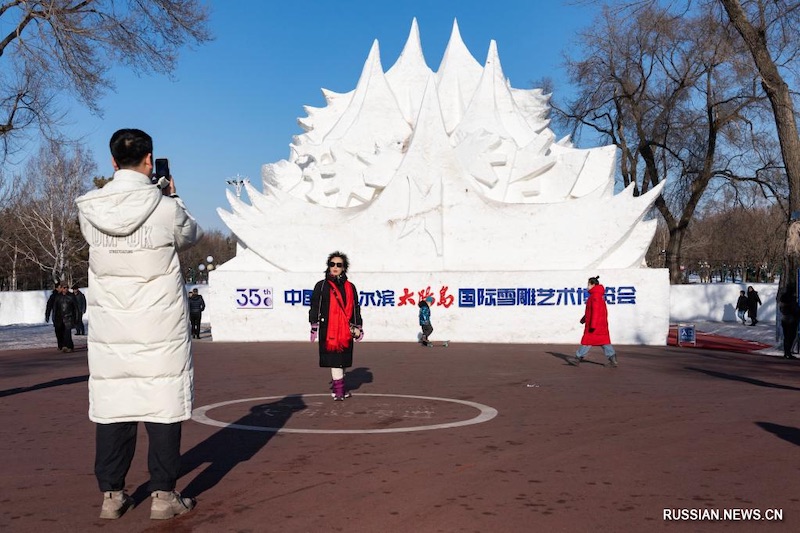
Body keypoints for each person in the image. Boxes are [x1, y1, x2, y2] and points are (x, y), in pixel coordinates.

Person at [76, 128, 203, 521]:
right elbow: (191, 235)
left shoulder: (89, 208)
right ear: (150, 161)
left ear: (113, 162)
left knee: (115, 407)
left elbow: (90, 240)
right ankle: (164, 497)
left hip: (111, 328)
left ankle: (112, 497)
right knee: (162, 407)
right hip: (159, 326)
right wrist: (173, 195)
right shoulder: (165, 207)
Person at [309, 251, 363, 401]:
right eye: (332, 264)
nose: (335, 267)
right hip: (329, 329)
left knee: (343, 360)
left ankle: (339, 387)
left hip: (346, 328)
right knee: (335, 360)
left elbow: (355, 307)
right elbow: (315, 305)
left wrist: (358, 325)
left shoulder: (350, 287)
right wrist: (314, 324)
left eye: (339, 265)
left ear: (344, 267)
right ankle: (339, 391)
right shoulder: (321, 286)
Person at [574, 275, 618, 367]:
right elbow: (591, 311)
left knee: (587, 341)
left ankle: (577, 358)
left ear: (593, 284)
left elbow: (596, 311)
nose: (587, 286)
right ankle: (613, 360)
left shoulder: (595, 296)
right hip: (600, 324)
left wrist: (593, 325)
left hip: (595, 325)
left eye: (588, 284)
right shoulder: (597, 295)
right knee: (604, 342)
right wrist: (584, 319)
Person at [45, 282, 80, 352]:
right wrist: (50, 316)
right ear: (61, 288)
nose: (65, 289)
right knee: (60, 333)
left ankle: (68, 346)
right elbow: (54, 307)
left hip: (68, 317)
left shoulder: (71, 296)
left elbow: (76, 308)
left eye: (67, 287)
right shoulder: (57, 297)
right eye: (64, 288)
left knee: (67, 333)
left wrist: (77, 318)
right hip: (59, 318)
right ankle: (63, 346)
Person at [779, 284, 800, 360]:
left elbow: (781, 308)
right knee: (791, 336)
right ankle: (788, 352)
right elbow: (795, 309)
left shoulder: (783, 297)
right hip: (792, 319)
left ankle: (786, 352)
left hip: (784, 319)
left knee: (786, 336)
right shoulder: (792, 299)